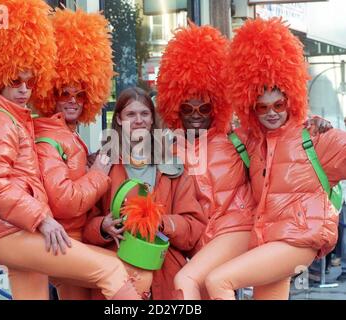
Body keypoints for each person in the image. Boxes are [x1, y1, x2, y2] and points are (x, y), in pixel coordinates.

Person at [0, 0, 141, 300]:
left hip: (20, 229)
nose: (24, 89)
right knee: (113, 271)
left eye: (30, 81)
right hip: (13, 231)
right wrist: (43, 218)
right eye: (14, 80)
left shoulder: (17, 120)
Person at [203, 17, 346, 300]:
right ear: (250, 108)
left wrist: (317, 123)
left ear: (291, 99)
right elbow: (211, 138)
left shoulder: (316, 136)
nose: (271, 112)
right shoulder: (253, 141)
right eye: (262, 107)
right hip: (267, 240)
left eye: (279, 104)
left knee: (218, 280)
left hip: (298, 241)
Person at [33, 8, 150, 300]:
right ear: (50, 92)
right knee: (129, 277)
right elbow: (66, 202)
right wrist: (99, 171)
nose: (73, 101)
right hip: (63, 244)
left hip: (79, 242)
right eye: (64, 92)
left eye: (80, 94)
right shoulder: (49, 137)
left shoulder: (72, 138)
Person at [155, 22, 256, 300]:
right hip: (195, 242)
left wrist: (309, 124)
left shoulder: (237, 140)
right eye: (187, 107)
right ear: (175, 106)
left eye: (204, 107)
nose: (196, 114)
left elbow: (280, 137)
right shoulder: (167, 148)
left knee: (187, 281)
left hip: (235, 230)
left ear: (217, 105)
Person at [83, 87, 206, 300]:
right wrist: (103, 226)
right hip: (118, 277)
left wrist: (160, 222)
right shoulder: (103, 164)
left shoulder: (173, 167)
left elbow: (193, 228)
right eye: (131, 114)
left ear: (152, 120)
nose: (138, 120)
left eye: (144, 114)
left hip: (165, 277)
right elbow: (84, 225)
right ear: (119, 120)